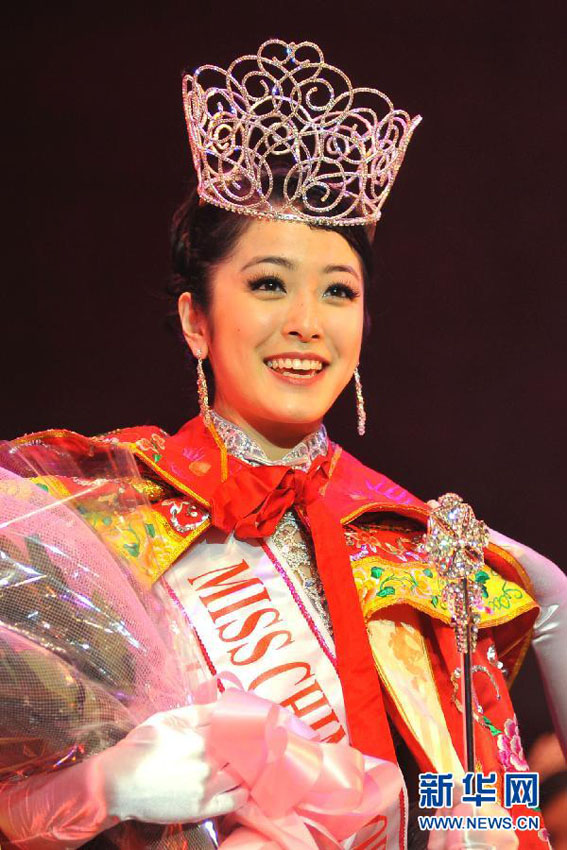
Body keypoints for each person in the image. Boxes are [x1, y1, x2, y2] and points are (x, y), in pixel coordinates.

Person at [1, 38, 566, 850]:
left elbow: (472, 797)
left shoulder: (425, 549)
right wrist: (104, 786)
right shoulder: (92, 514)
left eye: (337, 291)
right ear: (196, 320)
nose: (305, 321)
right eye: (268, 283)